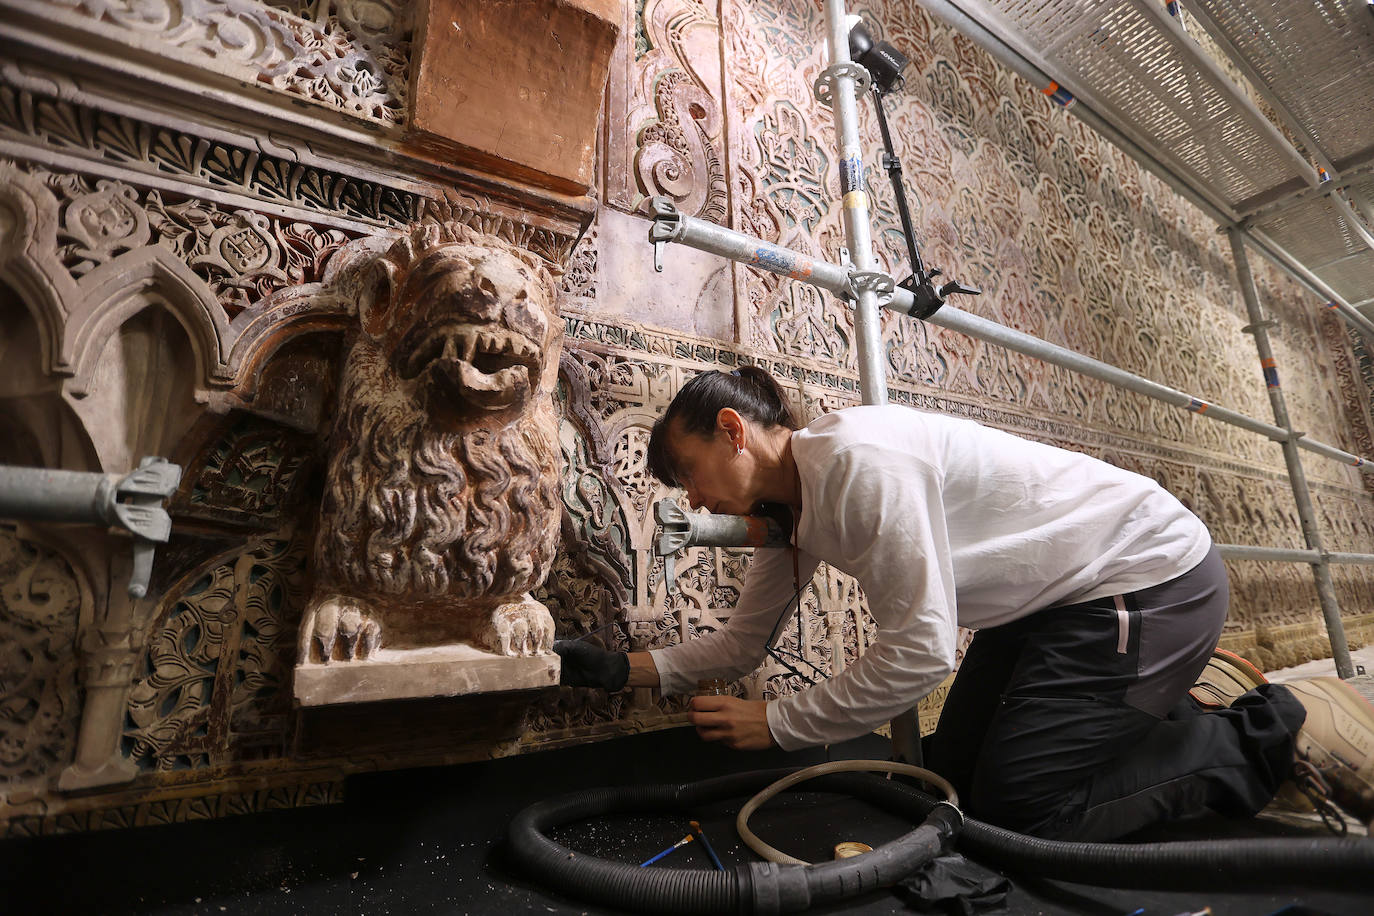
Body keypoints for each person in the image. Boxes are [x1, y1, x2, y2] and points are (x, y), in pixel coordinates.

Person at [554, 366, 1374, 840]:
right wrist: (617, 670)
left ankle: (1256, 737)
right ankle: (1137, 716)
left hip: (1152, 580)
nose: (694, 500)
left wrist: (779, 723)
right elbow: (742, 645)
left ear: (734, 431)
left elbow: (920, 652)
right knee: (956, 779)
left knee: (1025, 809)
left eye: (690, 473)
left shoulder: (859, 464)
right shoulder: (790, 514)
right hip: (1057, 606)